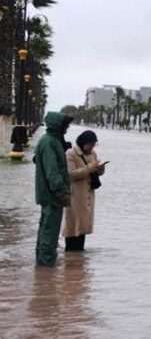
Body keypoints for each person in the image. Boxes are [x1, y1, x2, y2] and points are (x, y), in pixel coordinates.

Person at [33, 112, 73, 267]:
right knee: (49, 232)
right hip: (52, 197)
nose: (67, 128)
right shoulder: (50, 142)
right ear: (58, 126)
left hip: (47, 195)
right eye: (66, 125)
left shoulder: (50, 141)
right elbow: (52, 172)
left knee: (45, 230)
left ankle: (42, 267)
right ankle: (46, 265)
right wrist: (61, 192)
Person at [62, 130, 105, 251]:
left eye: (94, 144)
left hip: (89, 192)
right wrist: (90, 168)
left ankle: (79, 256)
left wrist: (100, 170)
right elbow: (70, 174)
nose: (91, 147)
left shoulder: (93, 154)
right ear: (83, 142)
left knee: (84, 223)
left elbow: (95, 172)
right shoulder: (71, 154)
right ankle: (70, 253)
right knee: (73, 223)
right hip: (75, 193)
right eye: (90, 144)